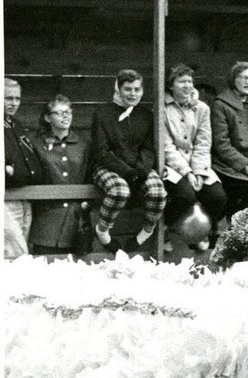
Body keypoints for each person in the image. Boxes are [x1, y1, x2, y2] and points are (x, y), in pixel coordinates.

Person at [90, 69, 168, 252]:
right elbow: (101, 151)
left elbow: (149, 148)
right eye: (128, 89)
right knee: (120, 191)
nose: (133, 94)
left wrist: (141, 170)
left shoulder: (146, 115)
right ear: (118, 89)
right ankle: (102, 231)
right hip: (107, 166)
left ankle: (146, 232)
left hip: (137, 168)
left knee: (158, 192)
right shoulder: (102, 114)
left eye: (137, 89)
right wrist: (128, 172)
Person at [162, 64, 227, 252]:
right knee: (185, 195)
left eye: (189, 81)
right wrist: (187, 172)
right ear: (171, 85)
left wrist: (198, 172)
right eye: (181, 81)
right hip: (173, 165)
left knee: (218, 197)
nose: (187, 86)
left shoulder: (202, 109)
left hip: (199, 163)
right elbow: (167, 147)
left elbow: (203, 143)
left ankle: (202, 232)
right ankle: (166, 228)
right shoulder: (163, 109)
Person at [29, 95, 91, 257]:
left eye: (68, 112)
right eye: (60, 112)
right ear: (47, 118)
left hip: (76, 223)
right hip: (46, 223)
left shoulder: (83, 144)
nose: (65, 116)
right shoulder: (36, 143)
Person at [211, 61, 248, 218]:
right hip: (228, 167)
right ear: (233, 79)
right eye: (243, 78)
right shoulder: (221, 105)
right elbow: (222, 145)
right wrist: (245, 166)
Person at [4, 77, 46, 258]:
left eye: (17, 99)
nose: (14, 103)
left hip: (24, 197)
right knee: (15, 251)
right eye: (8, 98)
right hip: (5, 199)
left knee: (21, 249)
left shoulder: (15, 125)